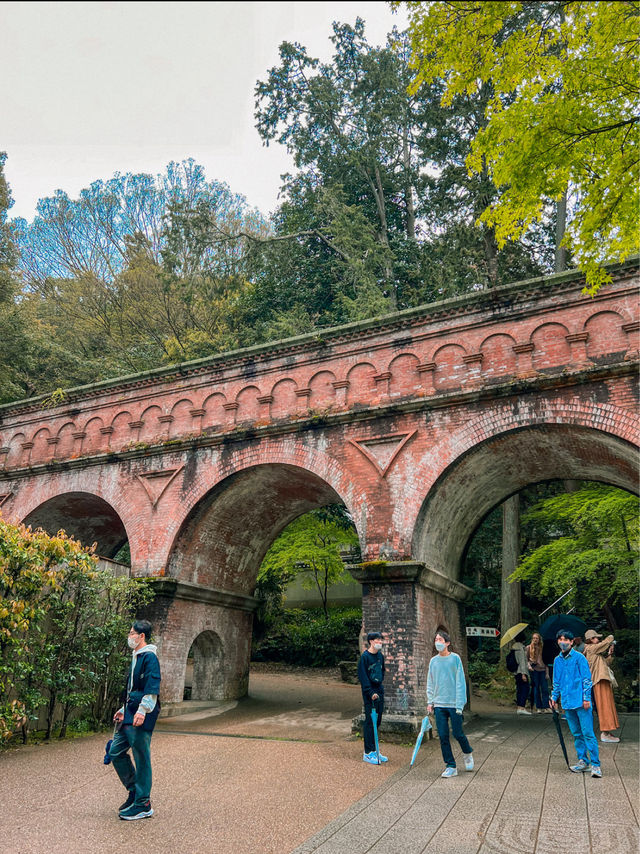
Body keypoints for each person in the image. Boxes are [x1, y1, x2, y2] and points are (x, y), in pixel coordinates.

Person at [109, 619, 162, 820]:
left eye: (132, 633)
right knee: (115, 752)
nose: (129, 636)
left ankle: (143, 803)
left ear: (141, 636)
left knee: (141, 758)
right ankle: (134, 790)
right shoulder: (136, 656)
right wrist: (123, 709)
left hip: (141, 714)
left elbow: (152, 686)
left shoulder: (149, 657)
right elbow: (132, 688)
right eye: (130, 633)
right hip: (130, 712)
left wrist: (142, 711)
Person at [550, 629, 601, 777]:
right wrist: (554, 698)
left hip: (581, 701)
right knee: (577, 733)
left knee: (588, 733)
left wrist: (586, 698)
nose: (562, 642)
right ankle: (583, 761)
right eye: (560, 639)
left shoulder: (579, 658)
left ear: (572, 642)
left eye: (566, 639)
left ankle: (596, 765)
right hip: (567, 702)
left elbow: (586, 679)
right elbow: (557, 681)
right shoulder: (557, 660)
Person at [426, 630, 473, 778]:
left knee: (458, 733)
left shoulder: (455, 659)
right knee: (443, 735)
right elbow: (430, 682)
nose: (438, 642)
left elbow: (460, 682)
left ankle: (467, 752)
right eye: (436, 639)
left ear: (447, 643)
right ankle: (451, 766)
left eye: (440, 639)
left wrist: (460, 704)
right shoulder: (433, 661)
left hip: (454, 703)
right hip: (439, 704)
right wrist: (430, 701)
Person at [584, 629, 620, 743]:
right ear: (590, 639)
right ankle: (605, 733)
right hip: (599, 681)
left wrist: (609, 654)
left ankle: (607, 732)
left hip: (602, 680)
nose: (598, 639)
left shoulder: (594, 651)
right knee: (605, 707)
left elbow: (604, 664)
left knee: (607, 706)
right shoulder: (590, 648)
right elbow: (604, 644)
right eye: (596, 638)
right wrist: (610, 638)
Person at [357, 630, 388, 765]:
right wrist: (370, 692)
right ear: (371, 641)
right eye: (377, 640)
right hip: (370, 693)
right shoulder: (365, 657)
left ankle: (375, 750)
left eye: (380, 640)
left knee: (378, 720)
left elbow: (382, 671)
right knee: (370, 721)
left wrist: (379, 688)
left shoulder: (380, 656)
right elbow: (363, 677)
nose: (379, 642)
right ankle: (368, 752)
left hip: (378, 689)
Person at [526, 632, 551, 713]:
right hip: (535, 670)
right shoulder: (529, 648)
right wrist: (529, 666)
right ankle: (538, 707)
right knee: (536, 688)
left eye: (536, 638)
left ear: (539, 639)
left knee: (545, 688)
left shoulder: (543, 648)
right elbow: (526, 660)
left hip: (543, 669)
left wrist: (547, 673)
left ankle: (546, 706)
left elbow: (546, 661)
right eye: (534, 638)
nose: (535, 640)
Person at [512, 632, 532, 715]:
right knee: (525, 689)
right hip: (521, 671)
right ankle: (522, 707)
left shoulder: (513, 647)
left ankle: (519, 707)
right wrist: (524, 674)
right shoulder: (520, 648)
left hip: (516, 672)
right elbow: (522, 662)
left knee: (519, 689)